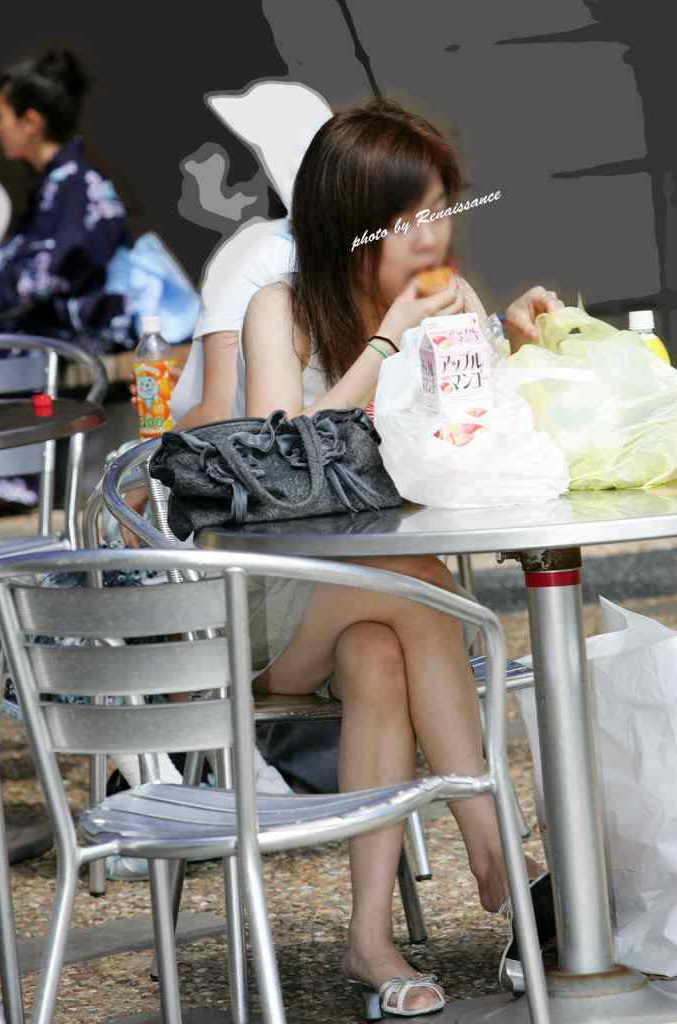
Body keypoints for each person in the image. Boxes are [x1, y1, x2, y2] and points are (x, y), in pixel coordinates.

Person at [236, 98, 563, 1018]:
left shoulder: (448, 306)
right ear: (352, 225)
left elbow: (473, 449)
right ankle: (499, 855)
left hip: (369, 610)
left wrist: (512, 349)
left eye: (440, 210)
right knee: (421, 587)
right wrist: (386, 344)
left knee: (379, 652)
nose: (433, 235)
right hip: (272, 610)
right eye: (408, 218)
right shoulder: (280, 310)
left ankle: (369, 942)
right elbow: (275, 461)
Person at [0, 49, 131, 511]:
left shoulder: (77, 188)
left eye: (1, 117)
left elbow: (40, 278)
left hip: (73, 336)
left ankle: (12, 480)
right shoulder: (56, 188)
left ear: (30, 121)